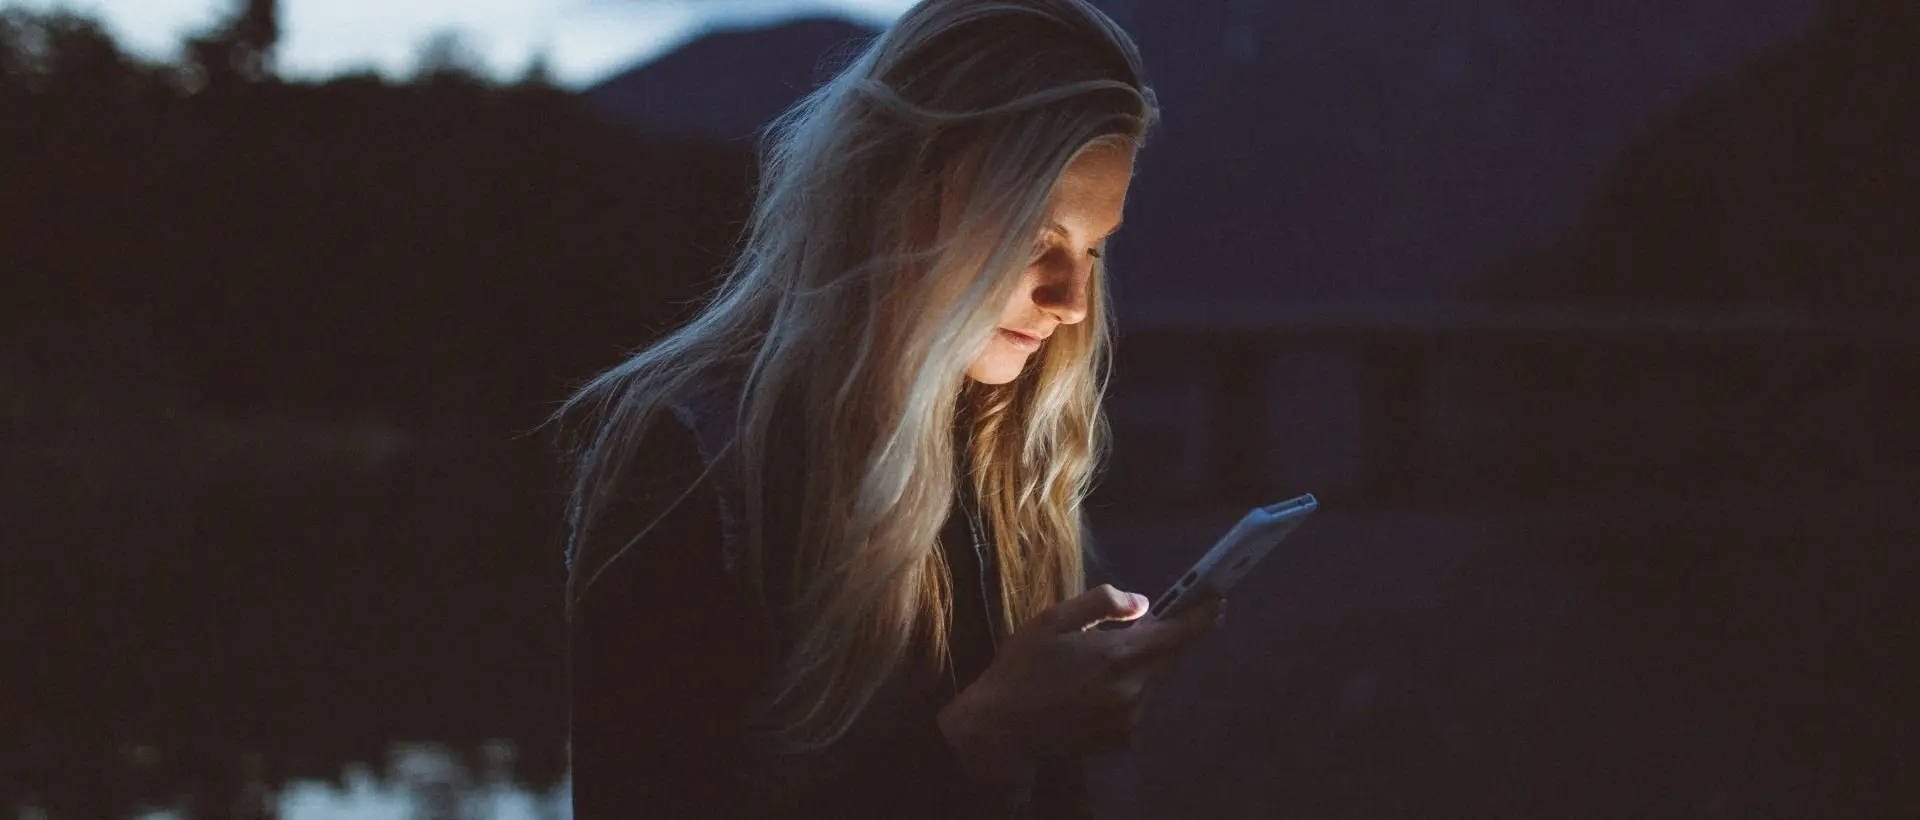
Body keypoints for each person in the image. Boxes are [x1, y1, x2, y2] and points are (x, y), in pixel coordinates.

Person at [551, 0, 1223, 816]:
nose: (1073, 301)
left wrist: (1051, 726)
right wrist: (987, 735)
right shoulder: (694, 463)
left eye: (1092, 247)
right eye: (1034, 236)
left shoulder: (998, 456)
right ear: (895, 193)